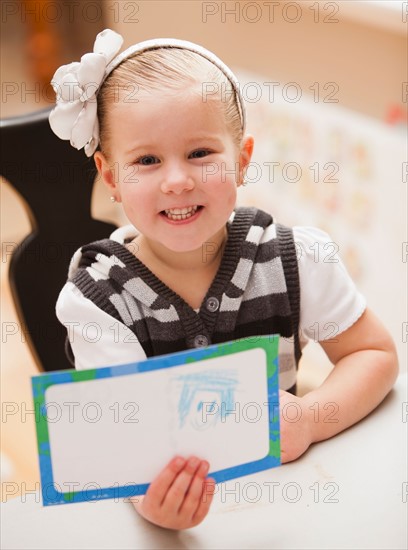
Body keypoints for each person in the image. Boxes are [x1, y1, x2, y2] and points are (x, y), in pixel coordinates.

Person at [49, 29, 398, 530]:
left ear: (241, 160)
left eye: (199, 154)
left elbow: (375, 354)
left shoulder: (297, 257)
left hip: (290, 510)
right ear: (110, 178)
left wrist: (312, 417)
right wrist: (152, 502)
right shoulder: (98, 301)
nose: (176, 180)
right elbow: (120, 440)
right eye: (147, 160)